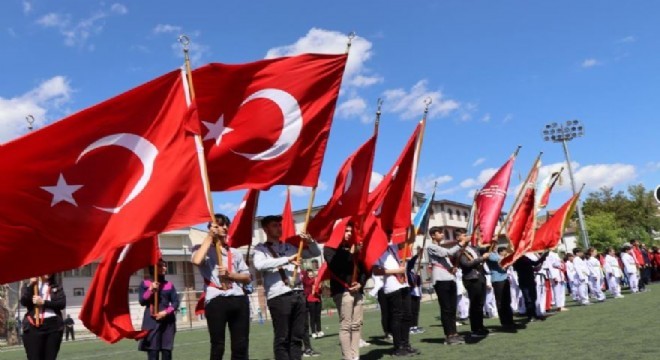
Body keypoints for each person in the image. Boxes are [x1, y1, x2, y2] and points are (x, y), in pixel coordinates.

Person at [253, 215, 321, 360]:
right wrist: (287, 260)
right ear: (265, 229)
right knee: (282, 337)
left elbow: (315, 253)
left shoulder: (290, 246)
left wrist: (310, 241)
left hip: (298, 293)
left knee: (297, 336)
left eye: (279, 225)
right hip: (279, 296)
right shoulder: (261, 249)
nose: (279, 228)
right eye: (274, 225)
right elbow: (259, 265)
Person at [191, 214, 252, 360]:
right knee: (218, 344)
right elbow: (197, 261)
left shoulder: (235, 252)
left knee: (241, 344)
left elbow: (247, 277)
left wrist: (230, 275)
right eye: (219, 225)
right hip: (216, 299)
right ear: (211, 228)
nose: (224, 228)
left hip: (238, 298)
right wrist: (209, 237)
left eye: (226, 225)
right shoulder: (201, 249)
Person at [323, 222, 368, 360]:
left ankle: (355, 355)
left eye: (351, 231)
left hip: (357, 291)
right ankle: (347, 357)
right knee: (346, 325)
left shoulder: (355, 248)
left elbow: (365, 269)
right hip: (342, 291)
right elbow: (337, 265)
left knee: (357, 325)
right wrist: (351, 253)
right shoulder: (330, 249)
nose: (349, 234)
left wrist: (361, 283)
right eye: (346, 231)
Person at [372, 232, 420, 357]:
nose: (389, 237)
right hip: (392, 286)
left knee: (407, 315)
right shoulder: (376, 250)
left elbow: (409, 240)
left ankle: (406, 344)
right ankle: (398, 346)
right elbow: (376, 271)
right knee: (397, 316)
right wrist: (396, 271)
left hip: (403, 283)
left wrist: (410, 226)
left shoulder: (391, 247)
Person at [426, 226, 467, 345]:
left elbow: (446, 259)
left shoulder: (439, 246)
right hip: (440, 280)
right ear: (433, 235)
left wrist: (451, 268)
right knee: (446, 308)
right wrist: (460, 244)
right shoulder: (431, 247)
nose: (442, 235)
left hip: (450, 278)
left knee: (452, 308)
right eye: (440, 233)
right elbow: (447, 252)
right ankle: (449, 335)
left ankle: (454, 333)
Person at [138, 259, 179, 360]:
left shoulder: (169, 285)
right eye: (161, 266)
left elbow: (175, 303)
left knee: (166, 352)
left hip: (168, 322)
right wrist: (150, 290)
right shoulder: (145, 283)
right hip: (151, 322)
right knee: (153, 352)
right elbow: (142, 301)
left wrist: (165, 312)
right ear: (153, 268)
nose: (164, 268)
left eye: (165, 266)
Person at [21, 274, 65, 360]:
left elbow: (62, 303)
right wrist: (31, 285)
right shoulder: (29, 285)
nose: (47, 272)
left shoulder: (56, 286)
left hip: (53, 326)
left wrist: (43, 302)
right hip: (33, 325)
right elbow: (24, 301)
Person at [457, 229, 491, 338]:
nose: (467, 236)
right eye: (464, 235)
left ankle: (480, 326)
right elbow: (466, 264)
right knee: (475, 303)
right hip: (471, 278)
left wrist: (491, 242)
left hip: (480, 276)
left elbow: (484, 250)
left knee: (480, 304)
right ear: (458, 238)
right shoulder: (459, 251)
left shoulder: (472, 248)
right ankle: (475, 328)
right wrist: (481, 258)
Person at [513, 251, 549, 321]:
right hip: (524, 281)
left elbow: (535, 263)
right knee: (528, 299)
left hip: (531, 280)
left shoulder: (525, 258)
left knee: (533, 298)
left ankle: (534, 314)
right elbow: (519, 268)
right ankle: (530, 316)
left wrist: (543, 257)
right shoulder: (516, 260)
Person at [487, 245, 515, 330]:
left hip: (504, 278)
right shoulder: (490, 254)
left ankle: (510, 321)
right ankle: (504, 322)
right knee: (501, 302)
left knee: (507, 301)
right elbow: (500, 259)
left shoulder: (495, 254)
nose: (496, 245)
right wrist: (509, 255)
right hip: (497, 280)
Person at [406, 247, 425, 335]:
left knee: (416, 310)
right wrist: (417, 255)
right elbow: (411, 262)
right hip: (410, 292)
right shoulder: (407, 269)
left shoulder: (412, 271)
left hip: (416, 292)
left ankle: (415, 326)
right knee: (410, 310)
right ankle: (410, 327)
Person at [302, 269, 323, 339]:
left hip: (318, 299)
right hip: (310, 300)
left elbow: (320, 291)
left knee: (318, 316)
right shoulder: (306, 281)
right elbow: (308, 283)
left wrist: (319, 287)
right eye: (309, 274)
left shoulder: (316, 280)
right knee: (312, 316)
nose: (311, 275)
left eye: (311, 273)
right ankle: (313, 332)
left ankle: (319, 330)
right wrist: (316, 279)